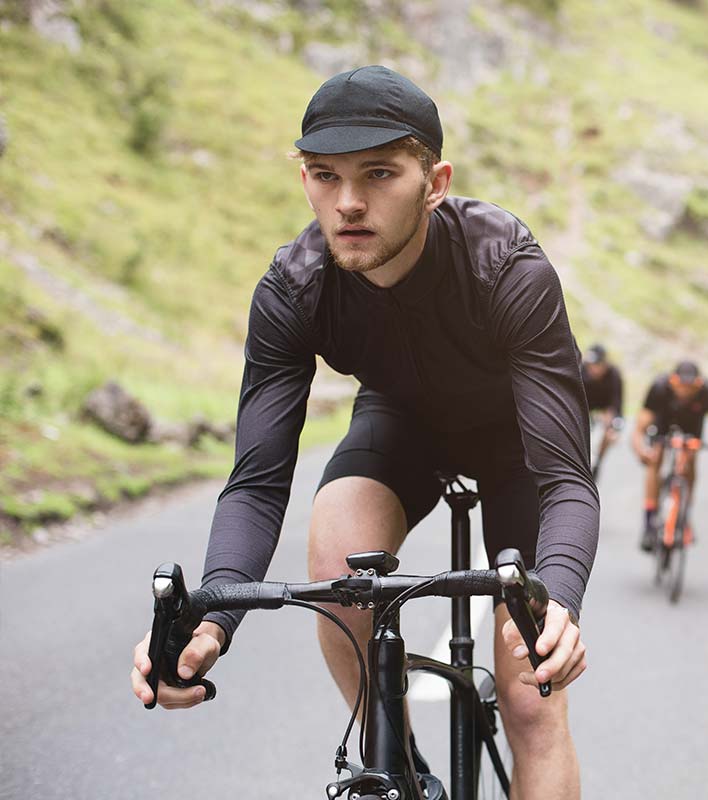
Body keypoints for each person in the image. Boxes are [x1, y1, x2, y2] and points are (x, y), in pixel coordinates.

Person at [129, 65, 598, 797]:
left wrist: (560, 601)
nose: (347, 202)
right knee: (336, 559)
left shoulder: (505, 266)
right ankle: (398, 767)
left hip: (517, 450)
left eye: (379, 173)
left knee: (530, 700)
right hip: (400, 421)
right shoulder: (294, 287)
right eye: (323, 175)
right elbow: (255, 484)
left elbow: (566, 478)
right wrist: (208, 620)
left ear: (433, 181)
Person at [630, 360, 708, 551]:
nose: (685, 391)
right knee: (656, 457)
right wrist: (640, 449)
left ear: (699, 384)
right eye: (680, 386)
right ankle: (649, 520)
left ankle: (684, 513)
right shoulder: (660, 388)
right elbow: (639, 428)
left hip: (692, 425)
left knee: (690, 458)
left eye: (690, 387)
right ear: (672, 381)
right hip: (663, 421)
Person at [580, 343, 623, 482]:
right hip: (584, 405)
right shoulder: (580, 371)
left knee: (609, 431)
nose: (593, 369)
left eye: (597, 364)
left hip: (605, 407)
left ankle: (598, 461)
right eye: (590, 364)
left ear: (605, 364)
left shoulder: (614, 374)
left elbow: (617, 403)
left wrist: (614, 427)